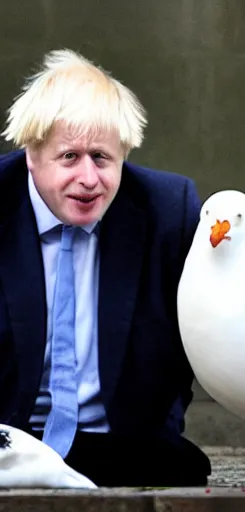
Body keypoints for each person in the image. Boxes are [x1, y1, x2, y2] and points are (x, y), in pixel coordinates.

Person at [0, 49, 211, 487]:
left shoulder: (169, 212)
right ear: (31, 155)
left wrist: (162, 422)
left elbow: (191, 344)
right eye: (69, 157)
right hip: (10, 440)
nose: (89, 178)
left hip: (122, 441)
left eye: (101, 157)